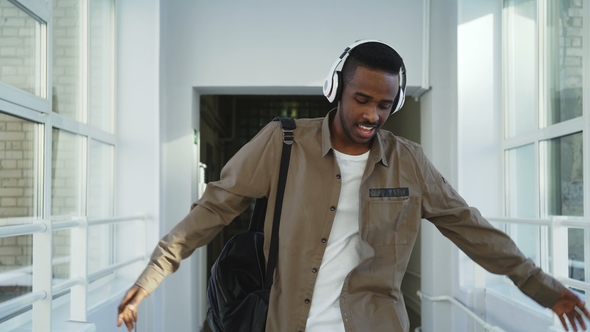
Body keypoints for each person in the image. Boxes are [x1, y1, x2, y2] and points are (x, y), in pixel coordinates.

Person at [117, 40, 590, 332]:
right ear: (336, 90)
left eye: (384, 104)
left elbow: (473, 229)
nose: (371, 115)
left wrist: (544, 288)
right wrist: (149, 278)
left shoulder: (409, 163)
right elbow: (212, 210)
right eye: (361, 99)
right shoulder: (283, 144)